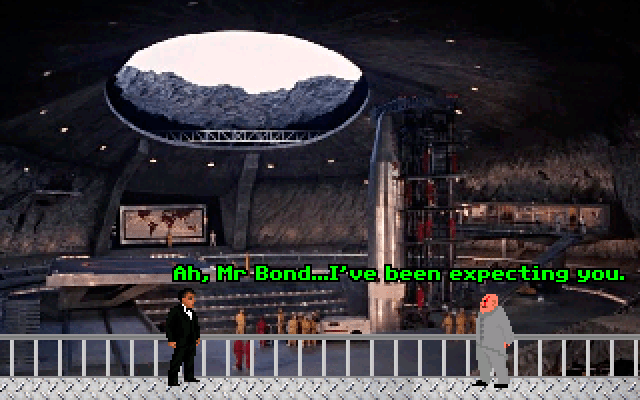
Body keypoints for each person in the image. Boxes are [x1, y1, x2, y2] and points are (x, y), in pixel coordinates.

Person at [472, 294, 514, 389]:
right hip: (483, 343)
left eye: (486, 301)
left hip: (496, 343)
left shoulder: (498, 312)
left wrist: (508, 341)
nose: (483, 303)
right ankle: (484, 379)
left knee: (499, 363)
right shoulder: (482, 313)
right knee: (484, 362)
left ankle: (503, 381)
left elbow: (506, 327)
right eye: (484, 301)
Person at [165, 288, 201, 386]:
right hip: (180, 340)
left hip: (191, 340)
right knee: (177, 360)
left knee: (190, 359)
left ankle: (189, 377)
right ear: (183, 299)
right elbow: (169, 326)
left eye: (193, 298)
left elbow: (196, 326)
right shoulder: (175, 311)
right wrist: (171, 340)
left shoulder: (192, 312)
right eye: (190, 298)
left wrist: (197, 337)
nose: (193, 301)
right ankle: (172, 380)